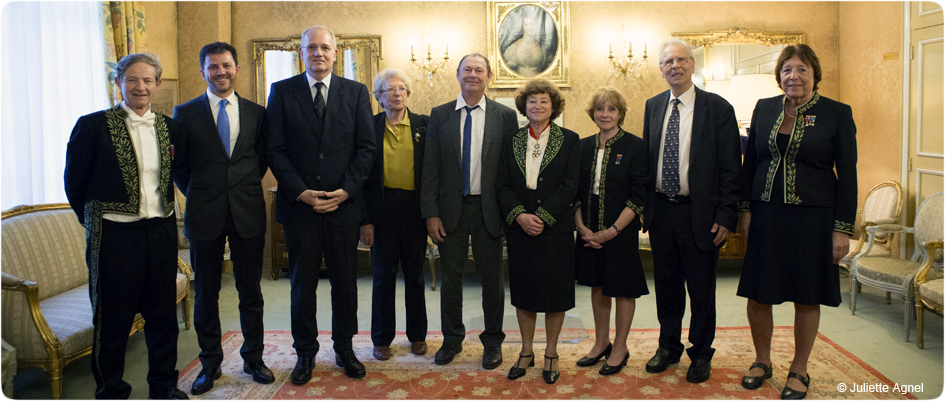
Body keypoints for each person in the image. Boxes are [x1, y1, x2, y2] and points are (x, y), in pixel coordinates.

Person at [64, 53, 188, 400]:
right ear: (118, 83)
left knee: (163, 318)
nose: (140, 87)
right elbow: (74, 184)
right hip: (115, 237)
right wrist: (97, 223)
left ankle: (163, 386)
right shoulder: (92, 126)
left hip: (160, 231)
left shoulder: (169, 127)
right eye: (132, 79)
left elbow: (178, 175)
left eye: (148, 80)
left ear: (157, 84)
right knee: (113, 321)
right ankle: (111, 390)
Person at [737, 44, 856, 400]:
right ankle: (762, 361)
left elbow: (847, 175)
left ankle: (799, 369)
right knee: (760, 293)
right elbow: (751, 163)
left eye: (802, 69)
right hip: (766, 214)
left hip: (814, 219)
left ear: (815, 75)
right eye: (787, 69)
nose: (794, 76)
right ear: (779, 76)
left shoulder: (837, 113)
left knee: (807, 295)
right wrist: (745, 210)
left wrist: (842, 228)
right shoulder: (765, 108)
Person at [266, 25, 376, 381]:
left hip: (343, 208)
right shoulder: (281, 92)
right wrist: (301, 191)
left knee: (345, 284)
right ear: (301, 52)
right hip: (301, 208)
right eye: (311, 47)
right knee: (303, 287)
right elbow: (275, 150)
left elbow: (366, 149)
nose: (318, 53)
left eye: (324, 47)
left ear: (335, 52)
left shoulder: (356, 92)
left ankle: (345, 349)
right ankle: (305, 355)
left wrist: (346, 191)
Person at [172, 42, 273, 395]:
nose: (221, 72)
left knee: (251, 293)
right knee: (207, 295)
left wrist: (237, 188)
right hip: (205, 215)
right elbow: (180, 168)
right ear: (203, 71)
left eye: (226, 65)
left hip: (247, 212)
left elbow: (259, 161)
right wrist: (203, 191)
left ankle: (254, 358)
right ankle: (210, 364)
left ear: (237, 68)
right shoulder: (184, 114)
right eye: (213, 67)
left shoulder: (258, 112)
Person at [641, 38, 741, 383]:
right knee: (666, 286)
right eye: (668, 61)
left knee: (701, 290)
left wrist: (726, 216)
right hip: (661, 213)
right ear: (661, 69)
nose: (675, 66)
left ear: (693, 65)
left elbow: (731, 168)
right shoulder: (653, 106)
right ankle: (668, 347)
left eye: (681, 60)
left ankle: (701, 353)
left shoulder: (718, 108)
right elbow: (646, 162)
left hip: (700, 215)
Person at [420, 53, 519, 369]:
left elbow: (510, 170)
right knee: (450, 279)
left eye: (479, 70)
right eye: (467, 70)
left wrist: (509, 214)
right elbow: (430, 167)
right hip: (451, 210)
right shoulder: (441, 115)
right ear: (458, 75)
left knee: (492, 280)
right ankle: (451, 340)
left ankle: (492, 343)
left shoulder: (505, 116)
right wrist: (430, 214)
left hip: (489, 210)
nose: (473, 75)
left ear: (489, 76)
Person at [496, 79, 580, 384]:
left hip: (555, 229)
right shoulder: (511, 140)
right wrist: (519, 216)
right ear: (524, 106)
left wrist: (542, 217)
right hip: (520, 229)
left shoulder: (570, 140)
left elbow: (571, 185)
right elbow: (502, 184)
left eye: (544, 101)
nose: (538, 106)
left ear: (553, 107)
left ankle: (552, 353)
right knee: (525, 293)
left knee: (555, 294)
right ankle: (527, 351)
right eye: (532, 101)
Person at [573, 87, 649, 376]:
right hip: (589, 230)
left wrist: (614, 230)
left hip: (621, 230)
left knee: (622, 288)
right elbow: (576, 193)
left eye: (611, 109)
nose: (605, 114)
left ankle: (620, 346)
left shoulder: (635, 147)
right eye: (600, 109)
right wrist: (581, 227)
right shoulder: (582, 147)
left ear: (620, 114)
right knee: (597, 285)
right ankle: (601, 341)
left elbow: (638, 195)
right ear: (592, 113)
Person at [361, 68, 430, 361]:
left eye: (402, 88)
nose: (397, 94)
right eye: (390, 89)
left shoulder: (424, 126)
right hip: (382, 210)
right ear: (379, 97)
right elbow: (361, 178)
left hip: (414, 210)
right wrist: (365, 220)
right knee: (383, 277)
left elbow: (433, 173)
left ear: (408, 94)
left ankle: (417, 337)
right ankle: (381, 339)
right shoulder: (368, 126)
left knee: (415, 275)